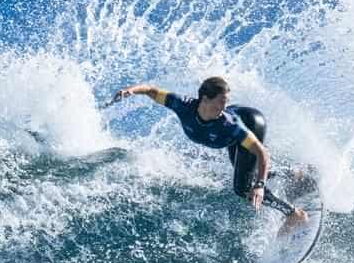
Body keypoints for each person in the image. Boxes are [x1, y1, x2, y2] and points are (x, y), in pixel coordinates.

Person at [110, 76, 306, 221]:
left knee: (243, 187)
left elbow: (262, 153)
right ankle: (294, 172)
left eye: (226, 101)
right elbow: (151, 90)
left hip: (252, 122)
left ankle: (294, 214)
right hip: (235, 132)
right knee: (245, 170)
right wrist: (131, 90)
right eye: (221, 101)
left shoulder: (230, 124)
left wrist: (260, 187)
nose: (224, 106)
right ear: (204, 99)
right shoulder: (182, 105)